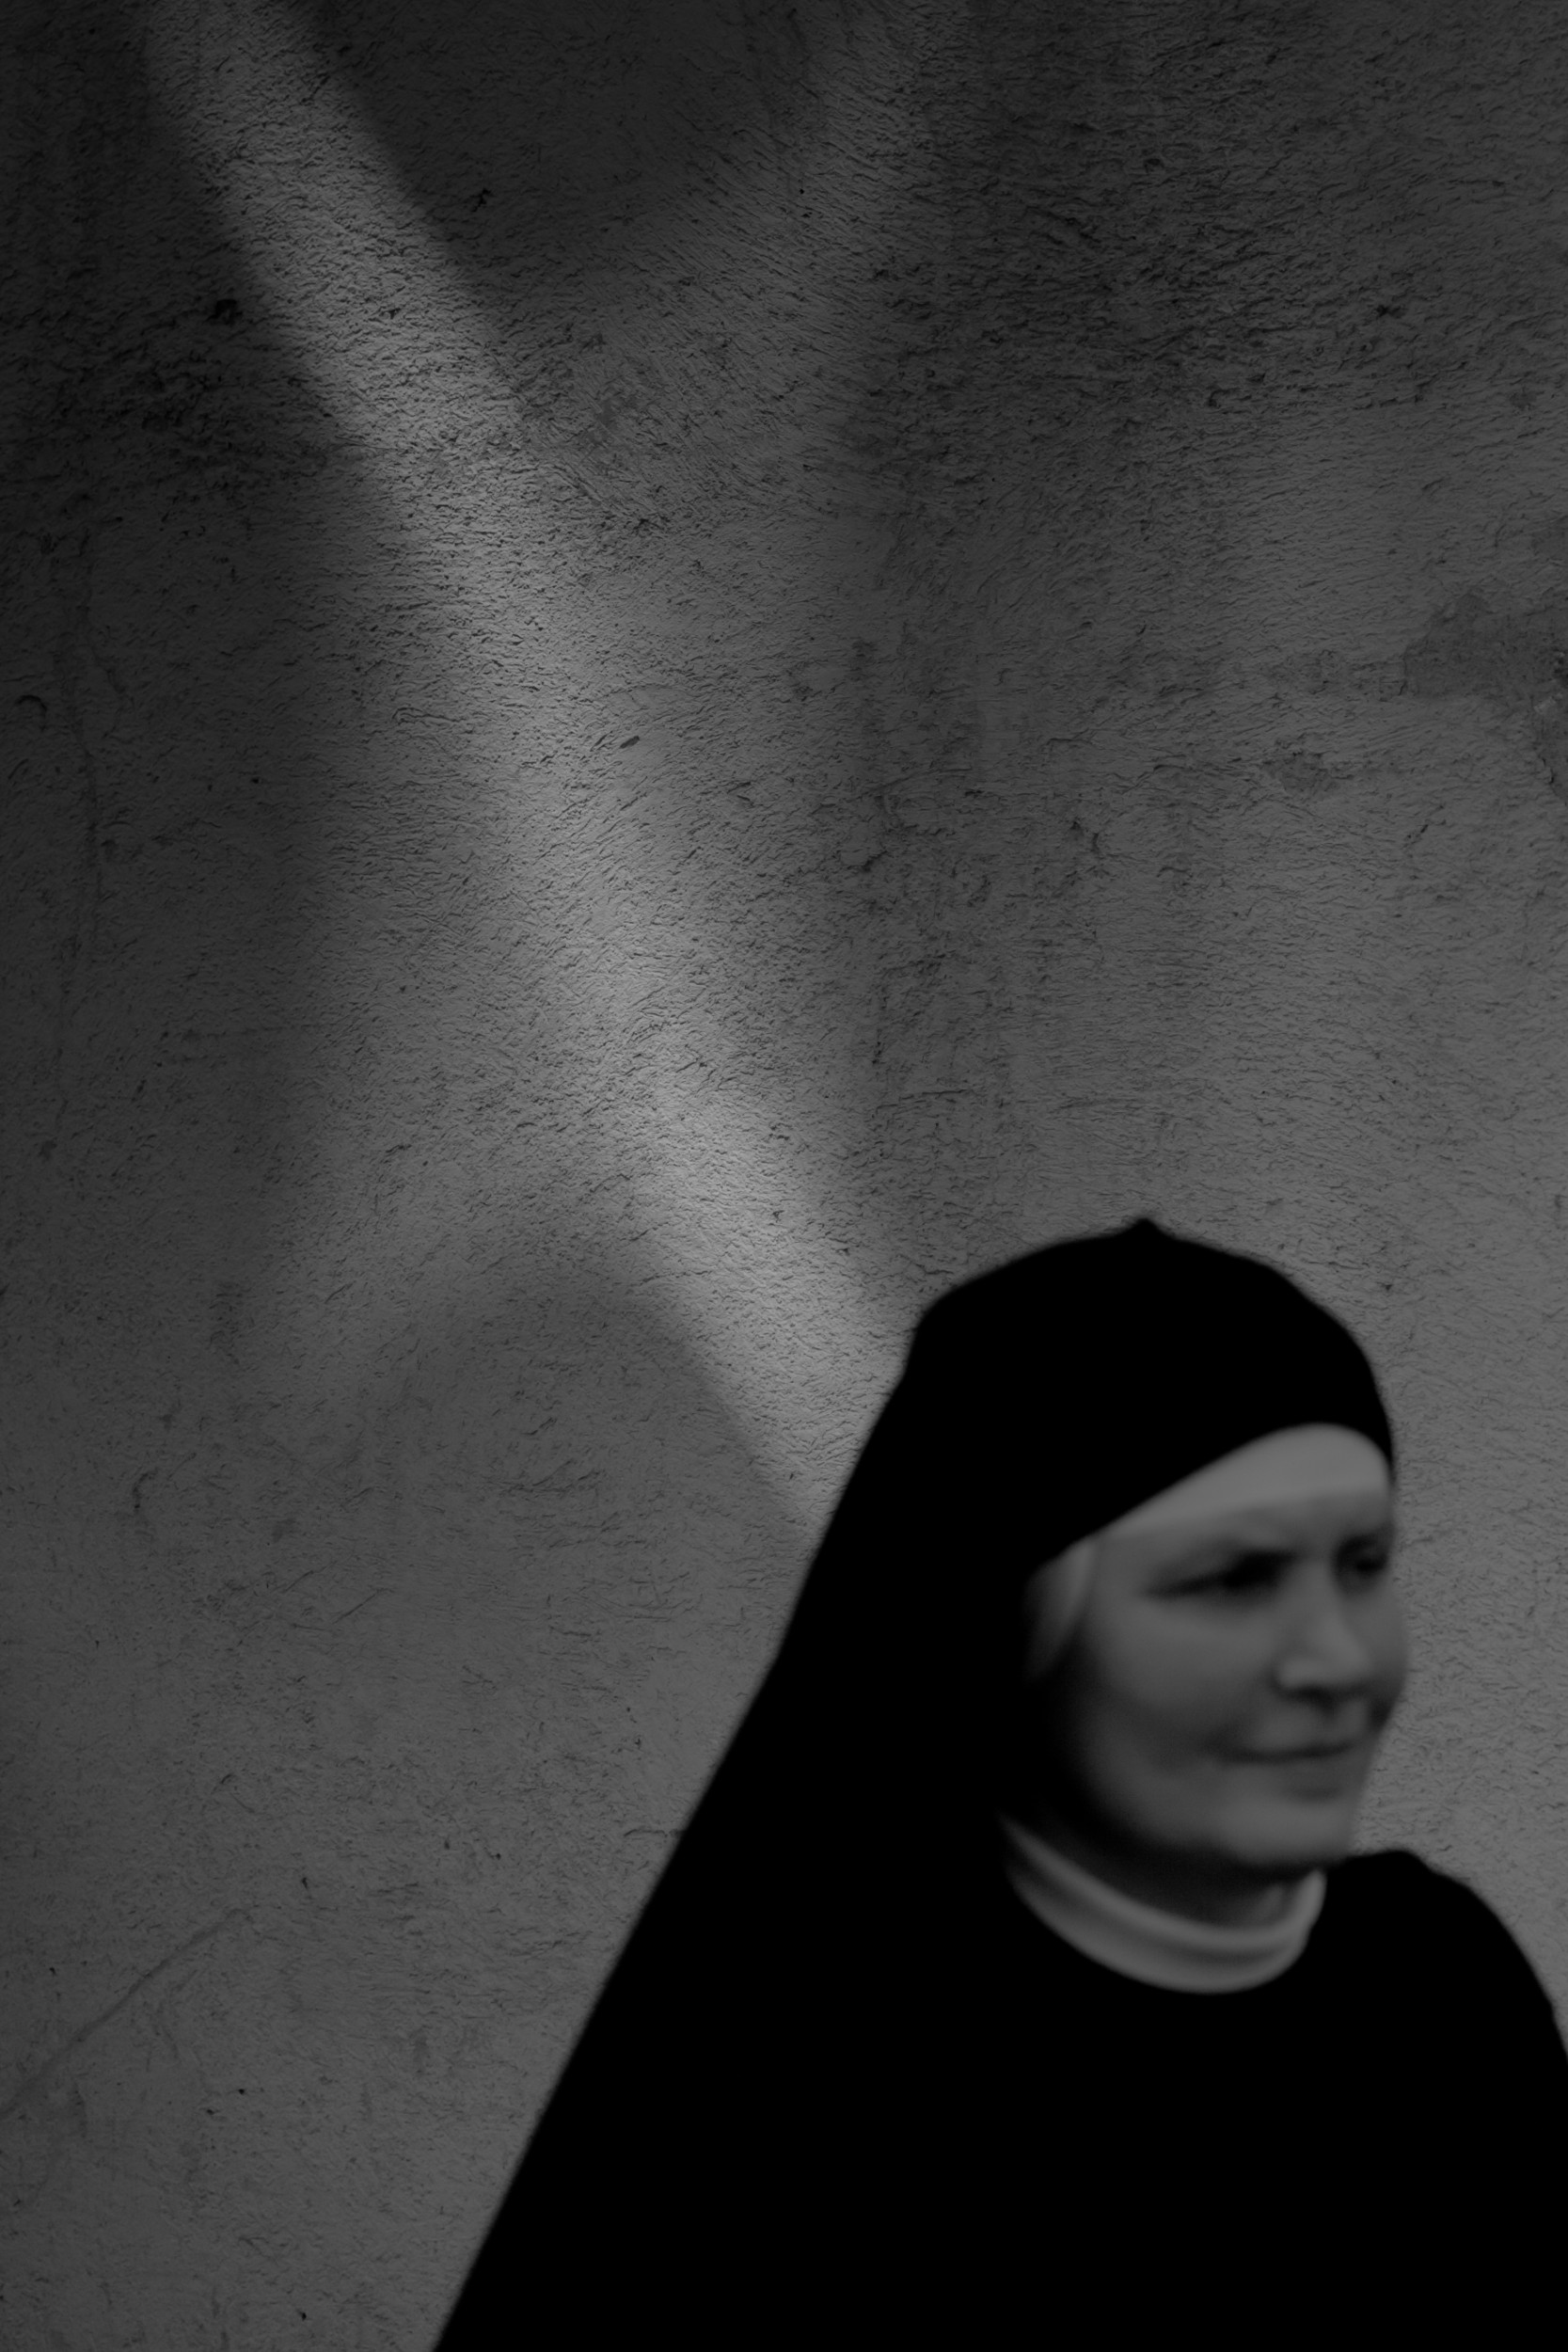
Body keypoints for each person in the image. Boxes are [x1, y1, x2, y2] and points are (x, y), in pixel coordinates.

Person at [434, 1216, 1567, 2341]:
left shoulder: (1440, 1986)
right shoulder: (793, 2086)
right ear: (1013, 1629)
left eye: (1362, 1563)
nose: (1340, 1659)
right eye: (1232, 1578)